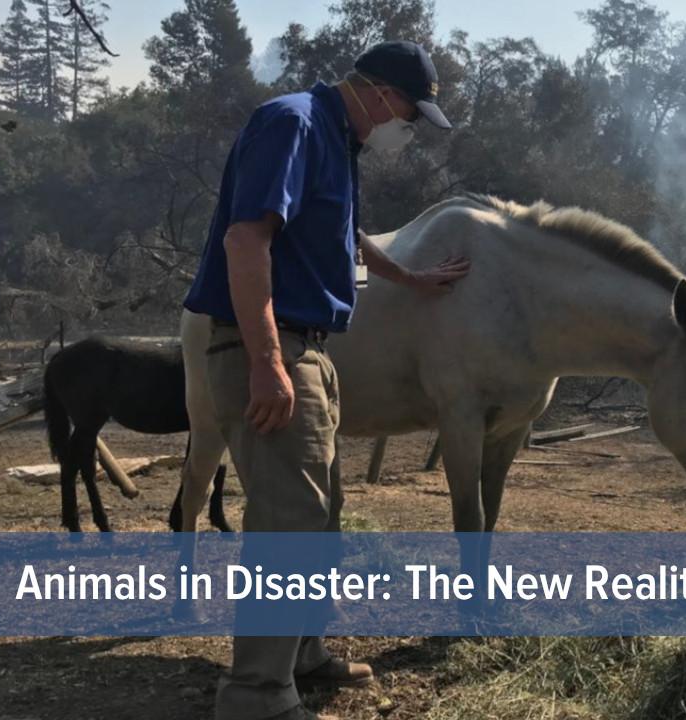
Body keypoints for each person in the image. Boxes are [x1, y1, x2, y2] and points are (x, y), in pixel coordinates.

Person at [184, 41, 471, 720]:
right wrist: (266, 361)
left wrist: (412, 278)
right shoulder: (294, 122)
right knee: (288, 522)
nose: (407, 127)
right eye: (409, 111)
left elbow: (346, 233)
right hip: (271, 343)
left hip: (309, 349)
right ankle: (257, 694)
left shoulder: (332, 140)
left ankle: (302, 654)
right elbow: (245, 241)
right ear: (376, 92)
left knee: (320, 515)